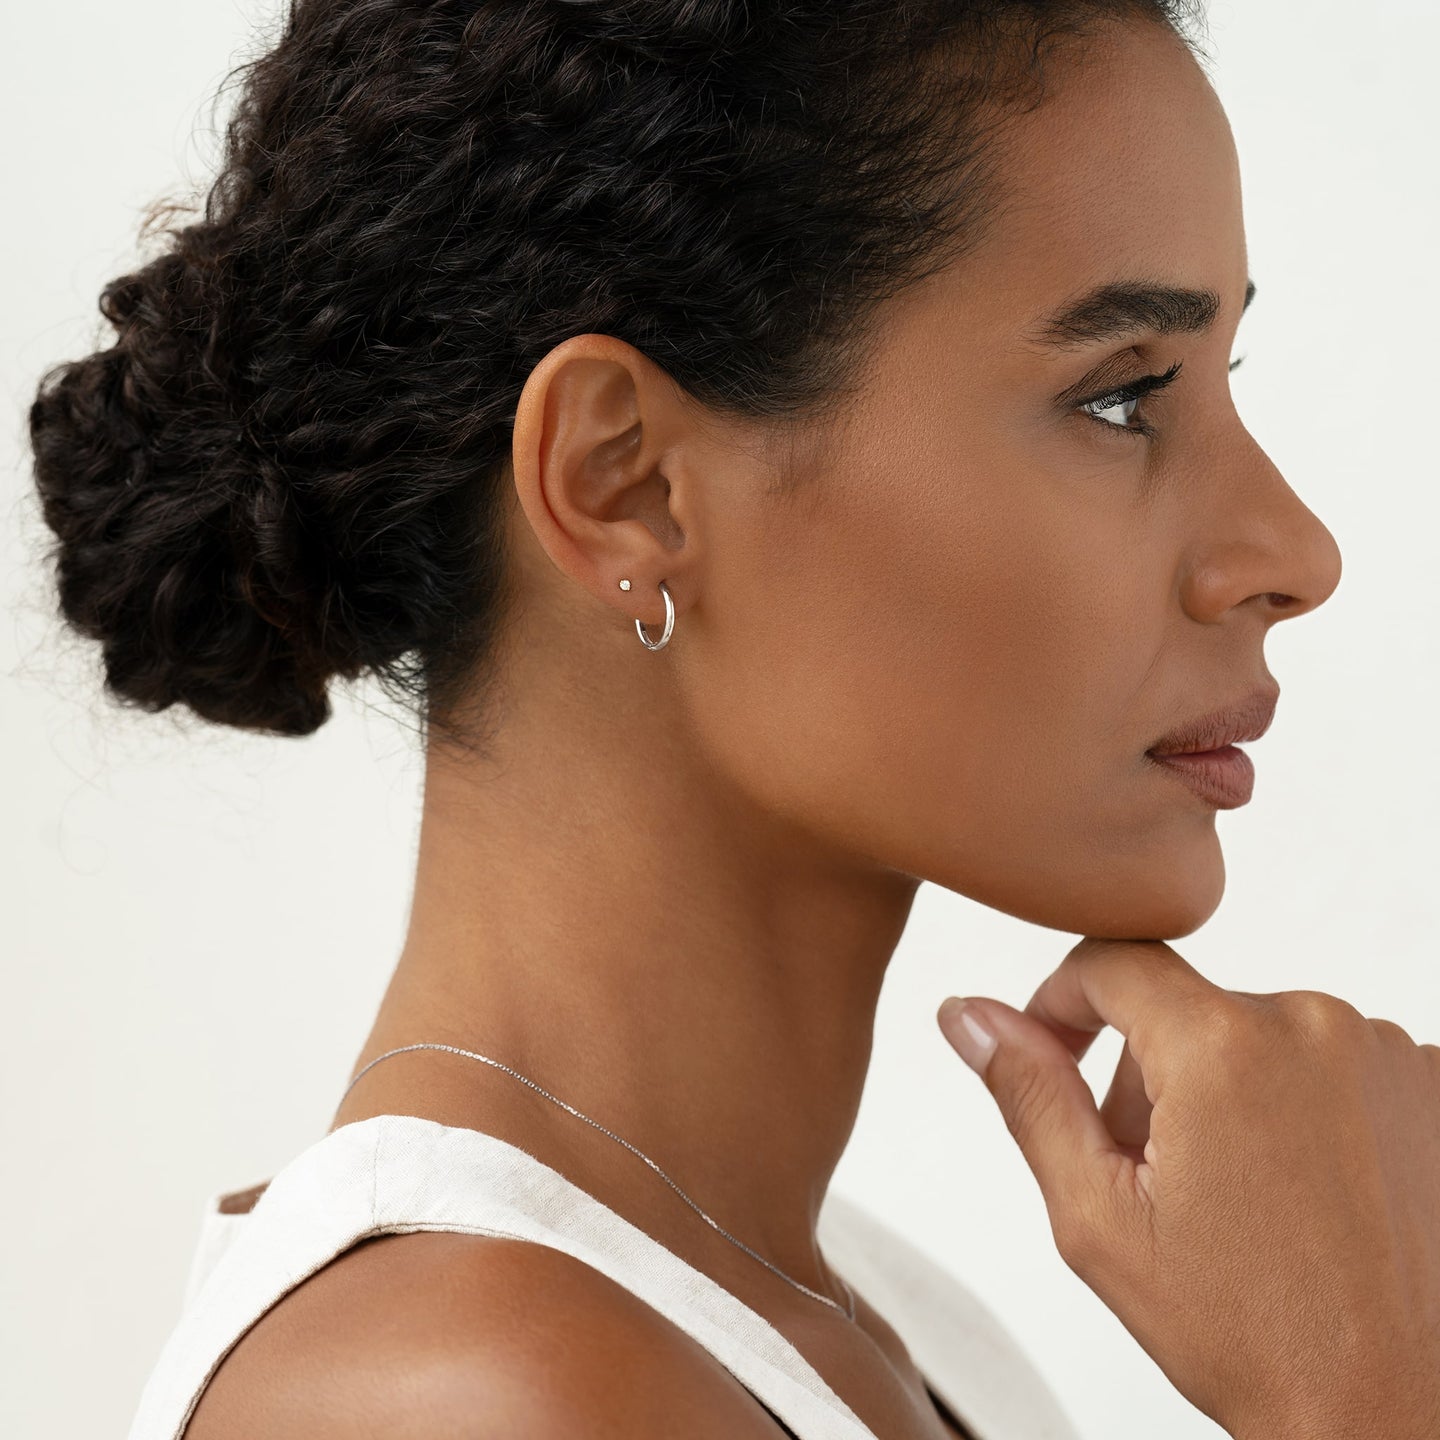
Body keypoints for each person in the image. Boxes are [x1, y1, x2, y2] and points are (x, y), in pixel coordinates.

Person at [28, 1, 1440, 1438]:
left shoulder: (833, 1317)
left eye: (1219, 379)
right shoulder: (471, 1395)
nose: (1294, 552)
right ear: (625, 484)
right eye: (1124, 396)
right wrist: (1359, 1388)